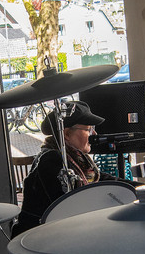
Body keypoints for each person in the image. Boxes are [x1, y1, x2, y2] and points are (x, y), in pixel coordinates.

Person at [13, 101, 117, 235]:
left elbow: (102, 179)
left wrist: (137, 187)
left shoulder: (75, 158)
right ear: (66, 134)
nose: (94, 134)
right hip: (38, 241)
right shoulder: (52, 161)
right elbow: (70, 207)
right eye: (88, 129)